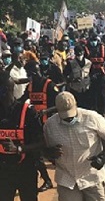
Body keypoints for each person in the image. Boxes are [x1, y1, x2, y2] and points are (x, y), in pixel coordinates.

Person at [43, 91, 105, 200]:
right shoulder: (50, 125)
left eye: (70, 115)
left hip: (92, 177)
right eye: (64, 116)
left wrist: (103, 156)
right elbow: (45, 148)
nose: (68, 119)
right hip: (67, 179)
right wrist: (49, 153)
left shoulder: (91, 117)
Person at [0, 71, 44, 201]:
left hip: (26, 169)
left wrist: (19, 149)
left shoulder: (27, 112)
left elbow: (41, 142)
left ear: (6, 89)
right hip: (3, 172)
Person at [25, 61, 59, 192]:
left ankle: (70, 176)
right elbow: (23, 101)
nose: (28, 77)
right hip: (36, 127)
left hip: (49, 125)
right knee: (37, 156)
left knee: (53, 155)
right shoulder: (30, 86)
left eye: (29, 74)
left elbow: (59, 104)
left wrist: (46, 111)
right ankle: (47, 180)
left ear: (33, 73)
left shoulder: (49, 85)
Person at [84, 33, 105, 115]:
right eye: (92, 40)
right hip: (90, 73)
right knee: (92, 95)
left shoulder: (101, 47)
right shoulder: (86, 48)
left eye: (95, 40)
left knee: (102, 95)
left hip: (101, 73)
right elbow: (87, 61)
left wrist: (94, 60)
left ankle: (102, 111)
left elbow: (103, 59)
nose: (93, 42)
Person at [64, 45, 92, 110]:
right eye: (77, 52)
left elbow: (91, 74)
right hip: (75, 89)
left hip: (86, 89)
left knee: (87, 108)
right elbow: (65, 75)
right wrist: (72, 80)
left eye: (80, 52)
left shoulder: (89, 63)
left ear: (83, 52)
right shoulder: (71, 63)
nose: (79, 54)